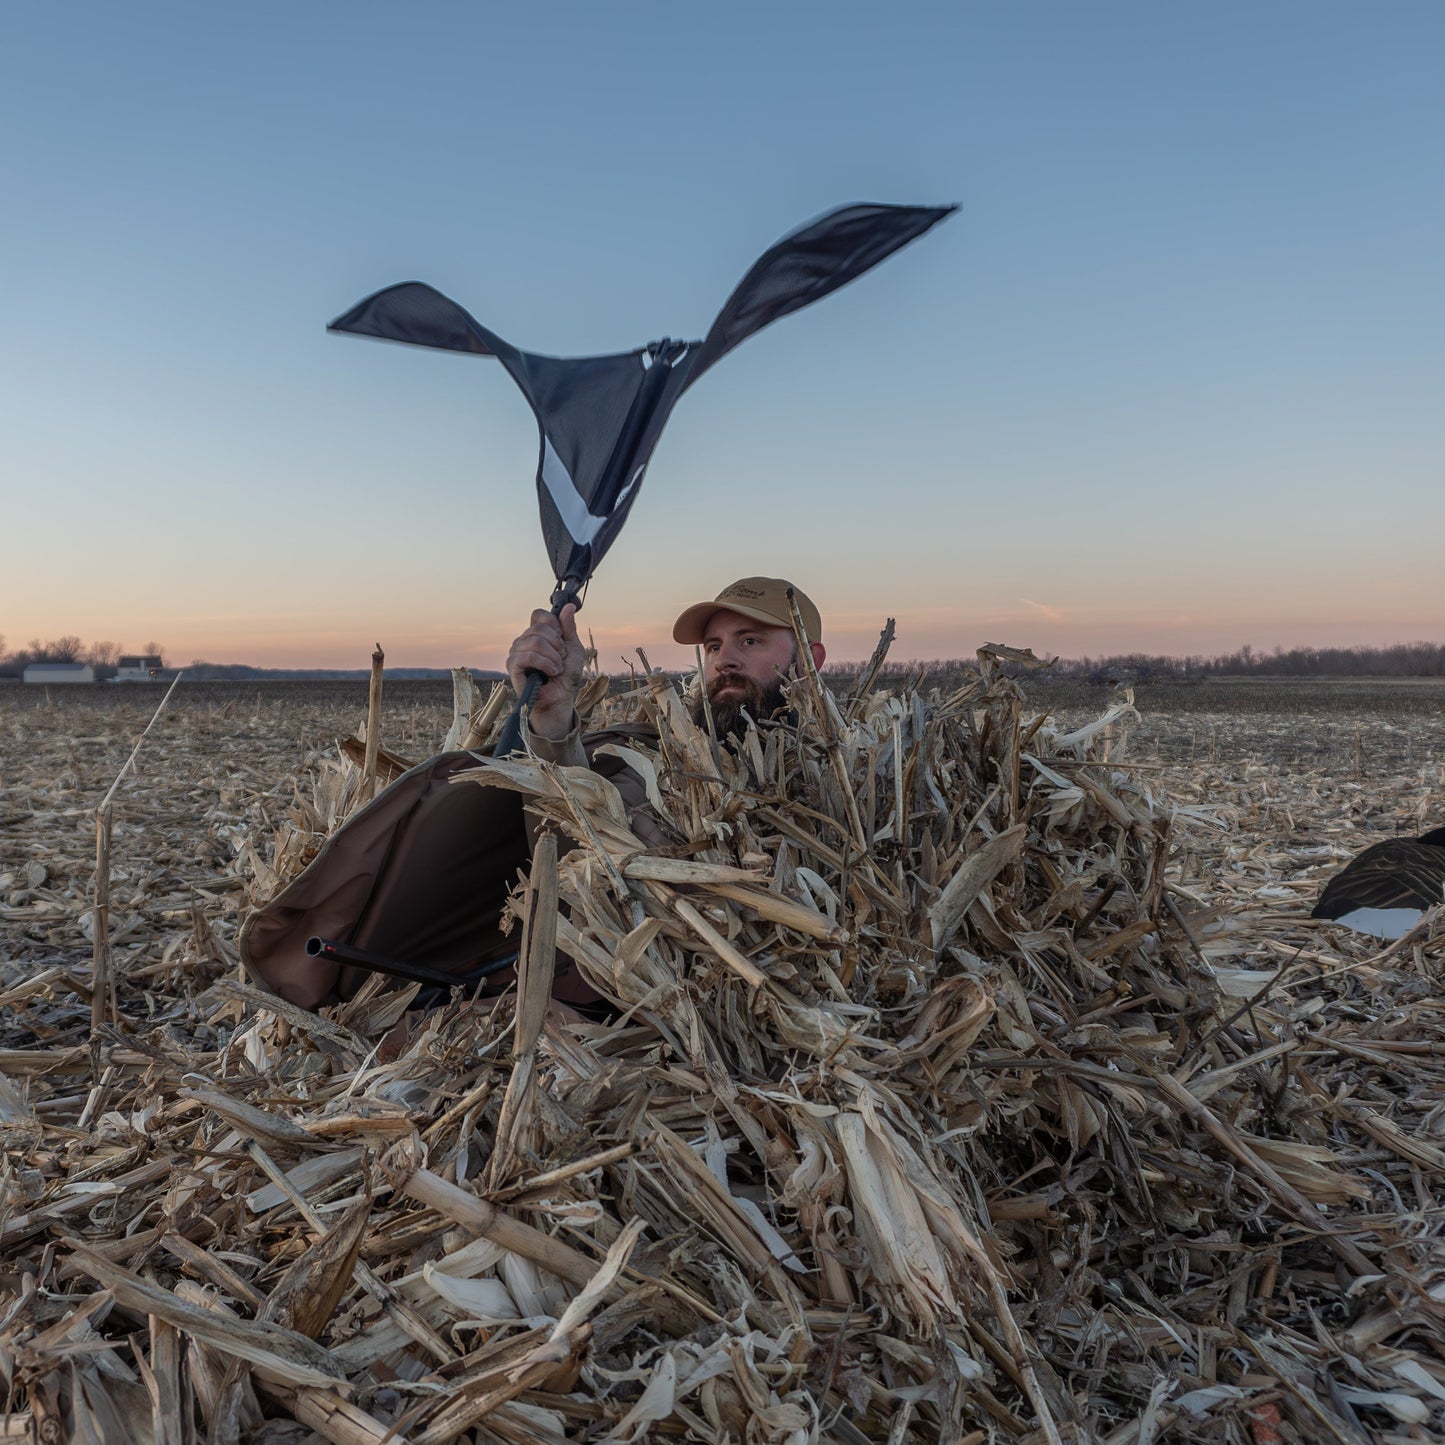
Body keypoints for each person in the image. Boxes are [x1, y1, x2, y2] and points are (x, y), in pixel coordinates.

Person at [507, 575, 827, 759]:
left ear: (809, 661)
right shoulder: (656, 761)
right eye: (714, 647)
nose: (723, 661)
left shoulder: (848, 772)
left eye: (750, 641)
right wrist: (552, 715)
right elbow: (581, 827)